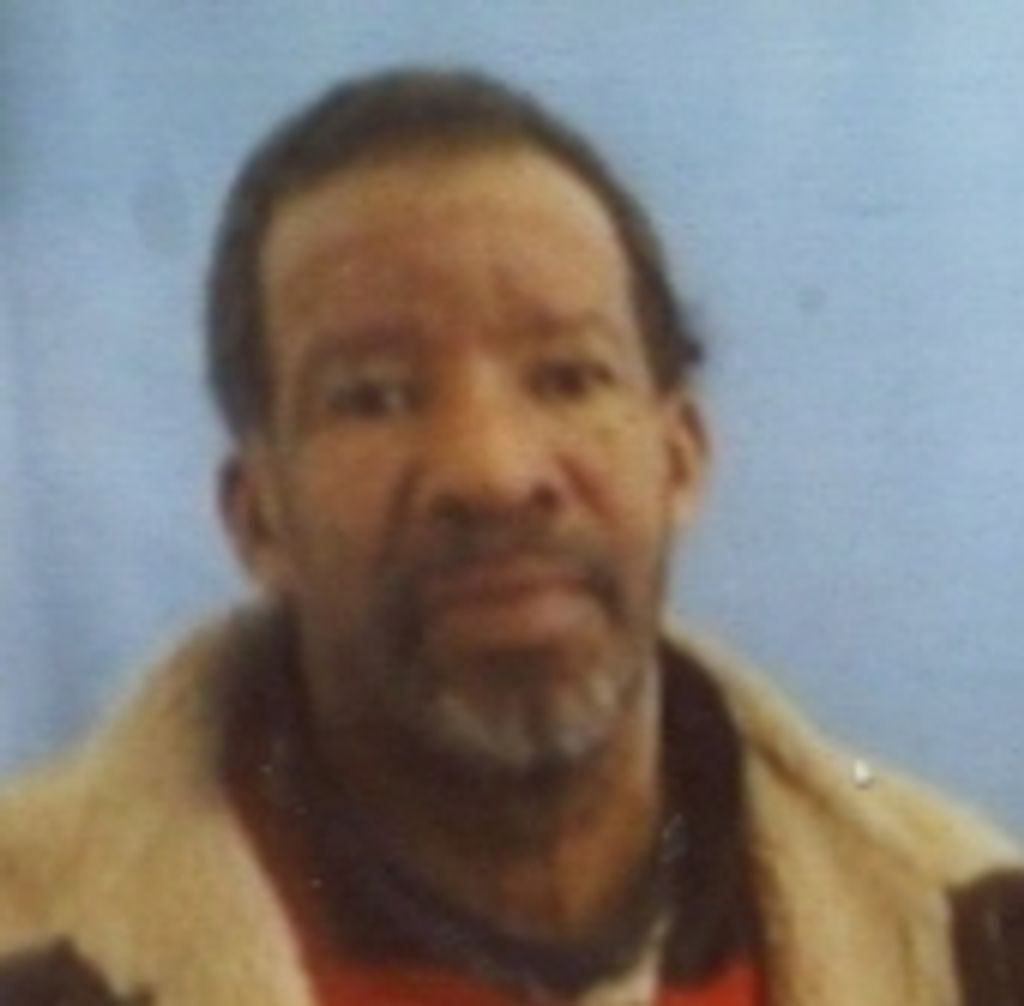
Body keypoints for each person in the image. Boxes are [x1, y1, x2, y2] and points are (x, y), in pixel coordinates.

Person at [0, 68, 1020, 1006]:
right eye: (374, 396)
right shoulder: (34, 949)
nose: (491, 471)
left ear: (680, 458)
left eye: (568, 377)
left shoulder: (978, 940)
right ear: (257, 516)